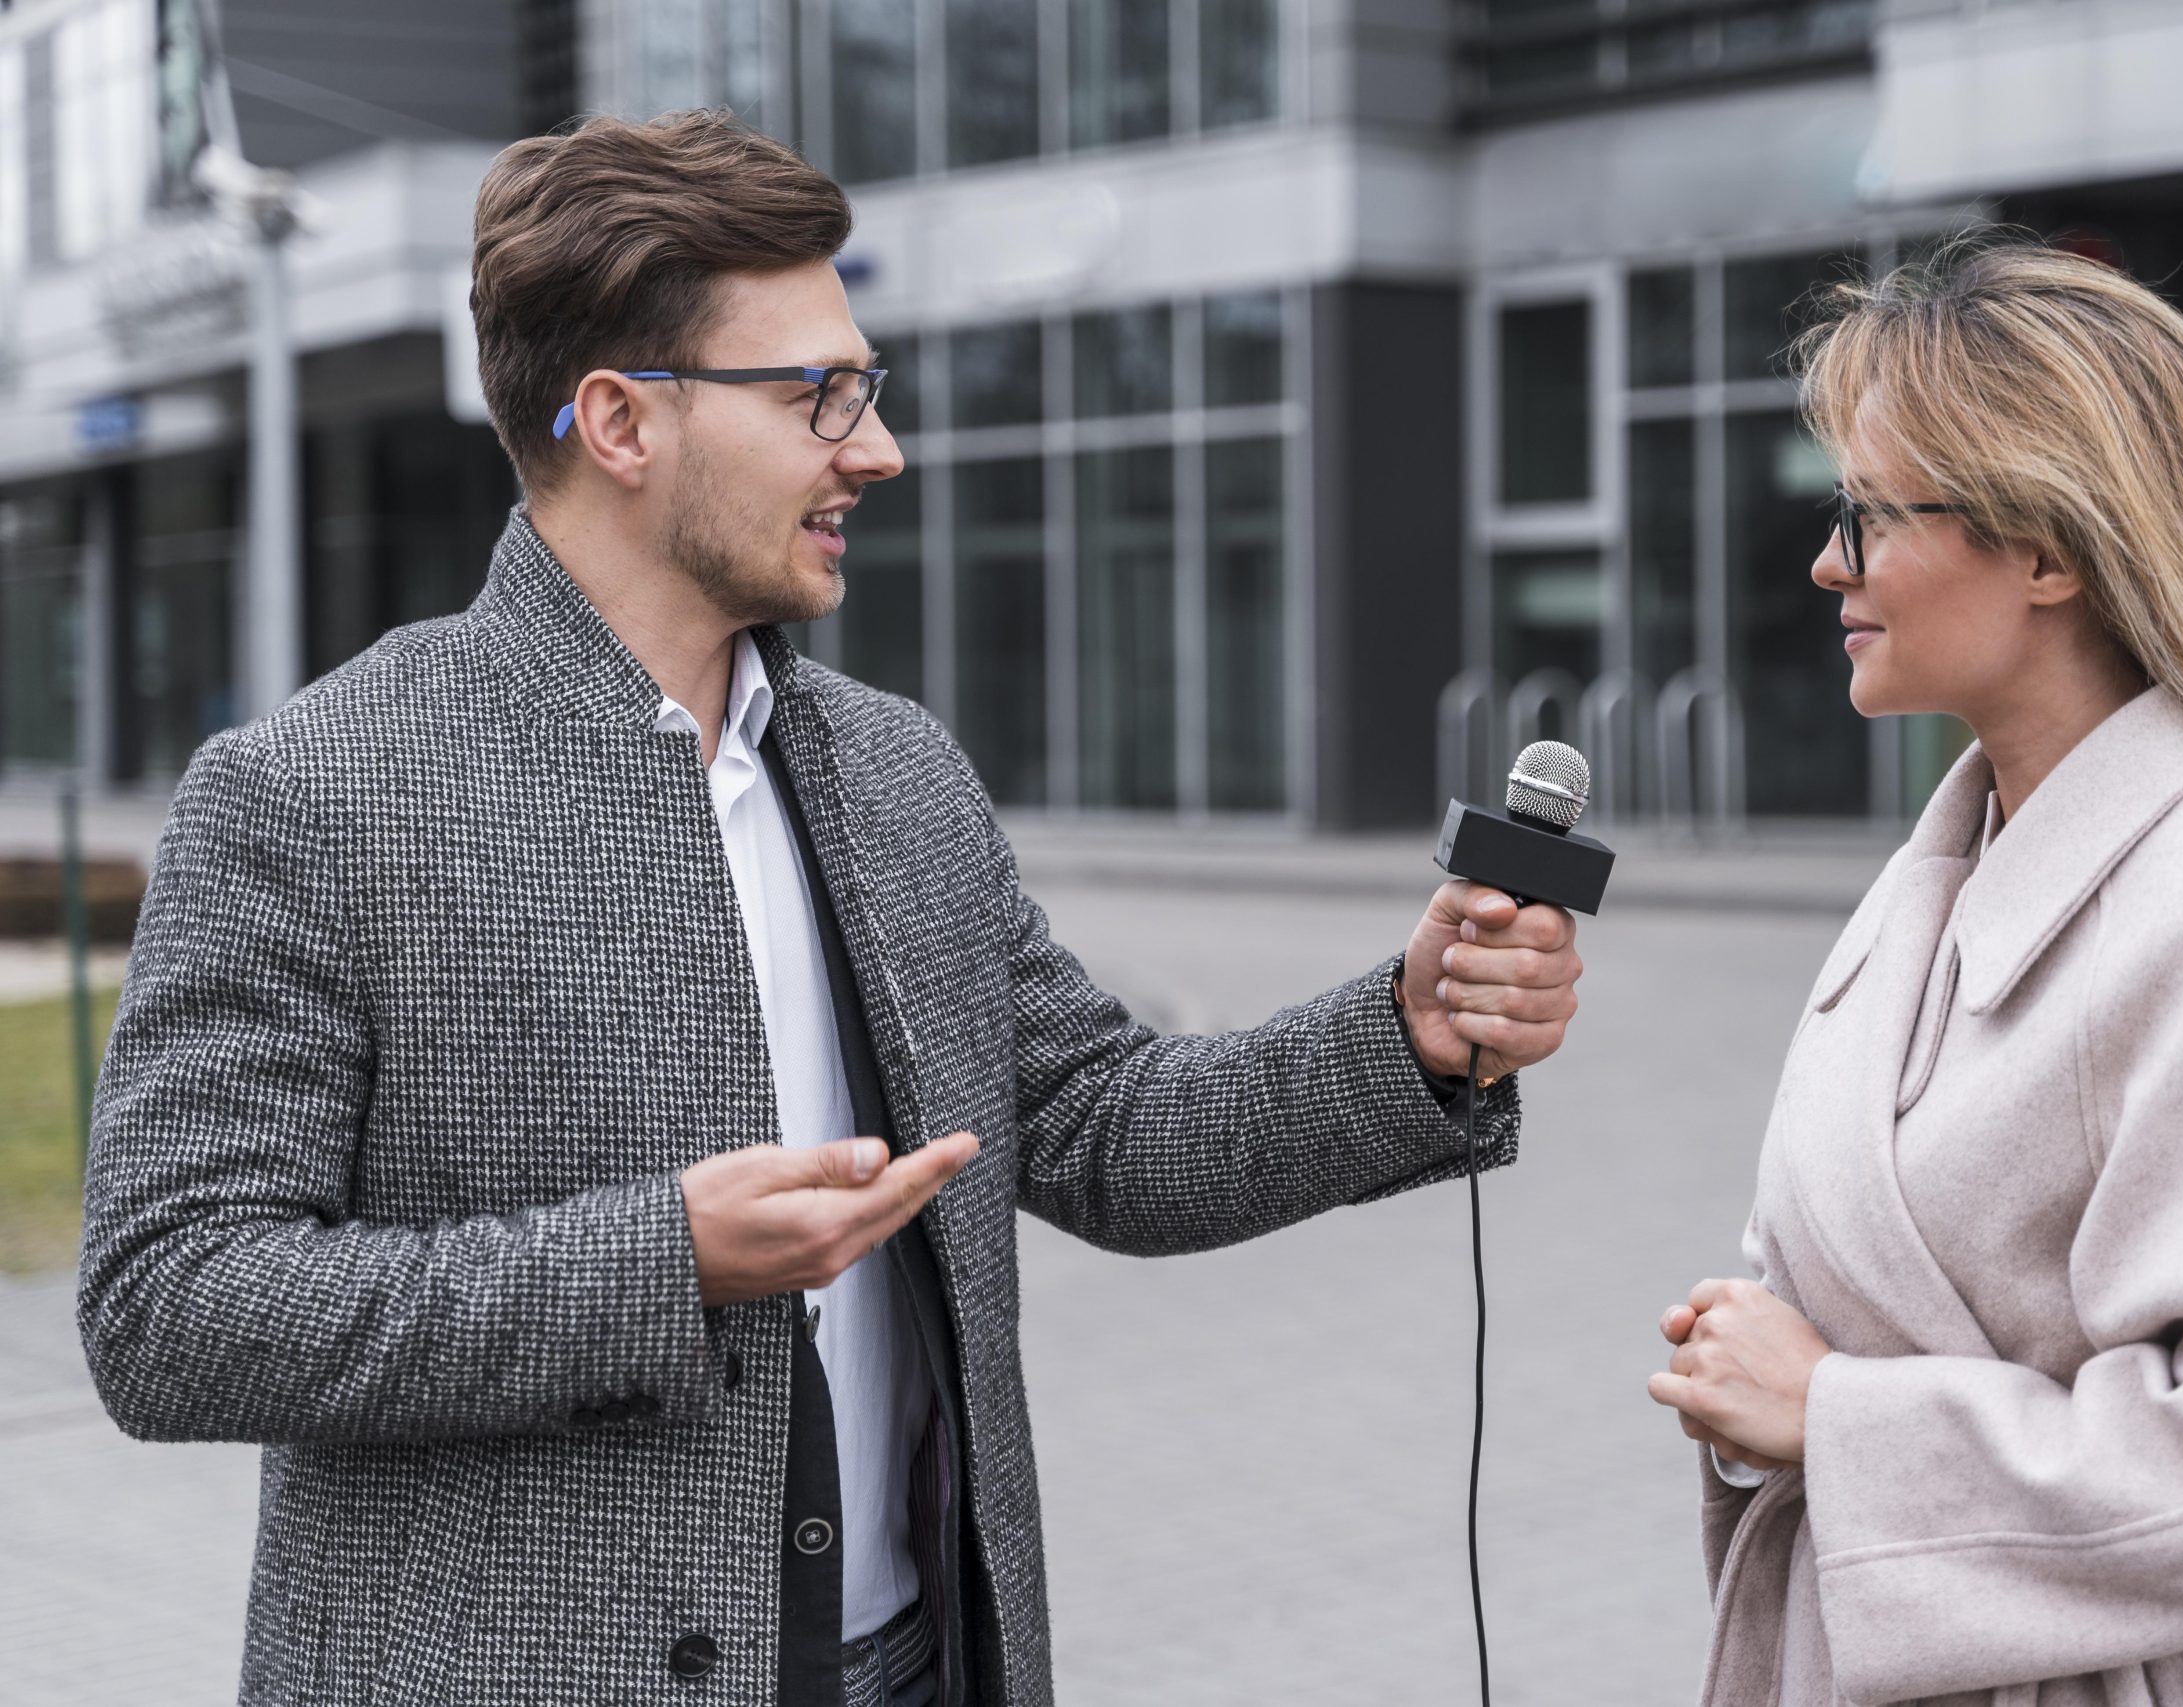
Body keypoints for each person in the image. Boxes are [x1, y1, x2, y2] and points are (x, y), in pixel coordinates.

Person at [78, 112, 1586, 1707]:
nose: (878, 449)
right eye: (819, 396)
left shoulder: (895, 770)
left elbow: (1092, 1123)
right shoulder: (311, 793)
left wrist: (1405, 1042)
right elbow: (169, 1306)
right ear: (618, 420)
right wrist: (655, 1261)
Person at [1645, 237, 2183, 1705]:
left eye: (1871, 515)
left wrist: (1835, 1415)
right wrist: (1753, 1379)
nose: (1828, 563)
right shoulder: (1936, 879)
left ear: (2051, 550)